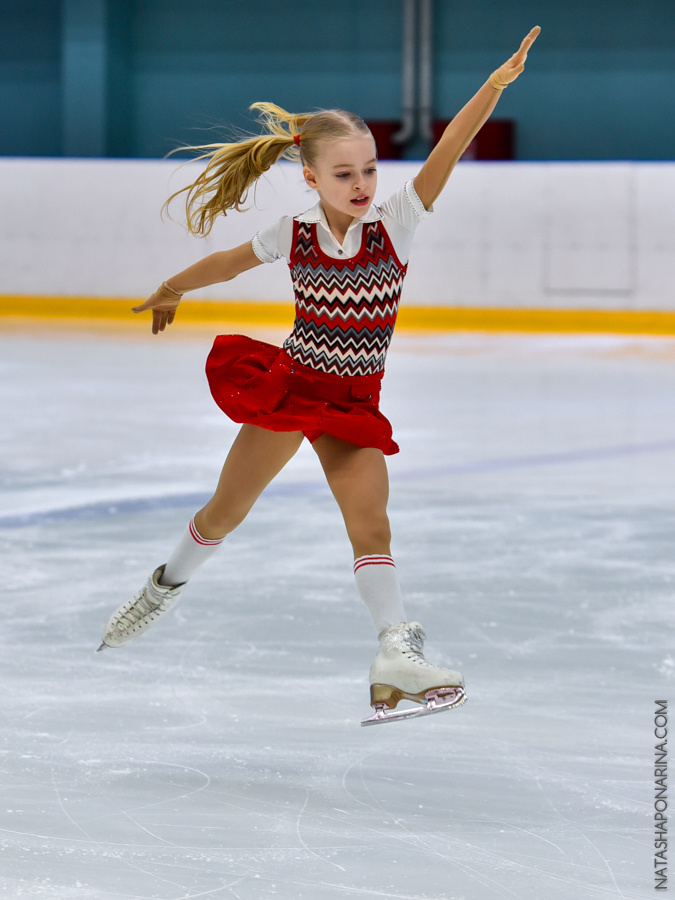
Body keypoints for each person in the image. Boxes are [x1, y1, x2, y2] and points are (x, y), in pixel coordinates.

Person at [98, 27, 540, 724]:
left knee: (371, 526)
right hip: (292, 385)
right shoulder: (295, 232)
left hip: (352, 403)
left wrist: (494, 85)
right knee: (224, 512)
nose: (361, 184)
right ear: (310, 177)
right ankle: (161, 587)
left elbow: (449, 144)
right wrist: (171, 287)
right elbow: (227, 263)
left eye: (368, 169)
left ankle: (395, 655)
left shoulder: (397, 221)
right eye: (343, 174)